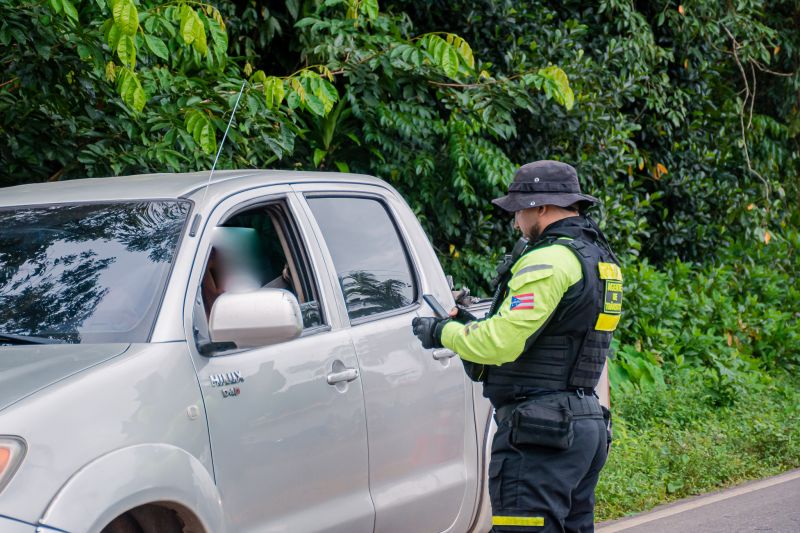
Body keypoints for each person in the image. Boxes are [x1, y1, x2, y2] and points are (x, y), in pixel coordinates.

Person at [412, 160, 622, 532]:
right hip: (585, 424)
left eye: (519, 210)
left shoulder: (549, 260)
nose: (515, 222)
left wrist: (442, 332)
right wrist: (474, 325)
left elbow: (501, 344)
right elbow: (564, 336)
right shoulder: (601, 261)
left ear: (542, 207)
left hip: (541, 432)